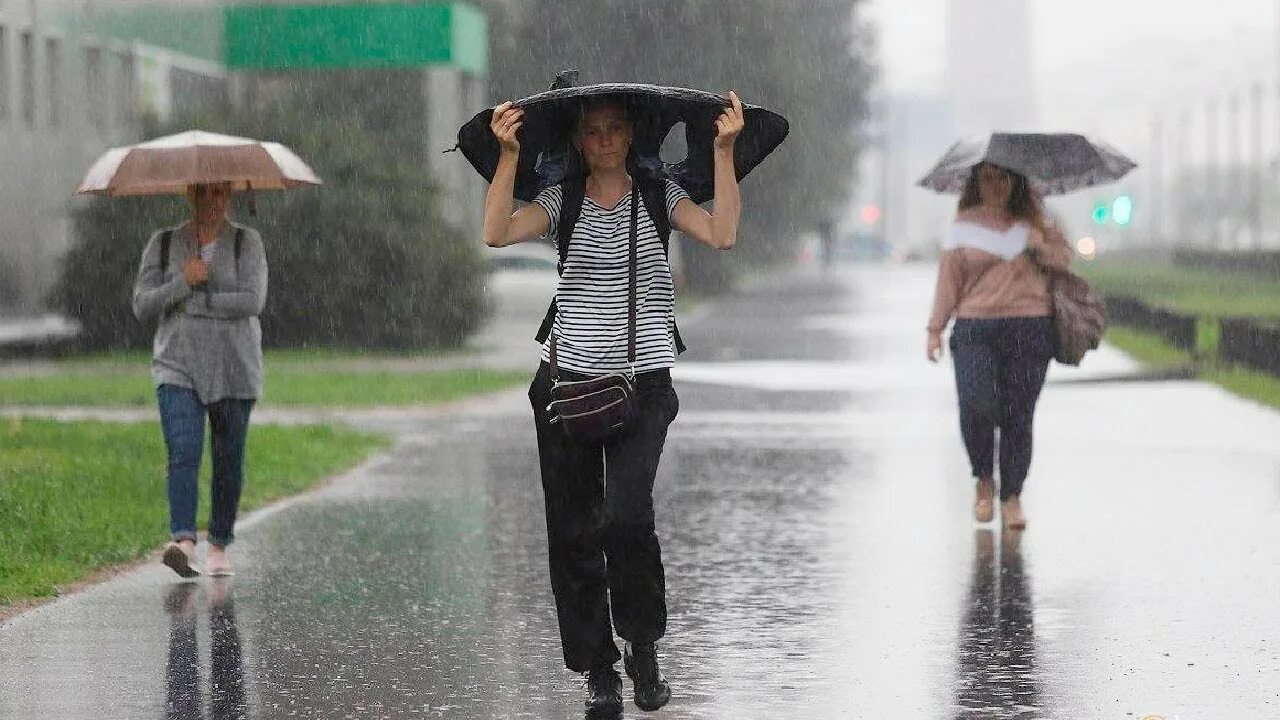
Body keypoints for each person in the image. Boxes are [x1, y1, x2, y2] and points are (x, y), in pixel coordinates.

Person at [482, 92, 745, 717]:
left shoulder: (659, 198)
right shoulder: (561, 200)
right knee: (572, 530)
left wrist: (725, 151)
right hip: (566, 383)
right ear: (578, 141)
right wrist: (508, 155)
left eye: (614, 130)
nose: (603, 140)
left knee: (626, 518)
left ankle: (643, 646)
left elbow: (723, 234)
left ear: (630, 136)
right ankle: (598, 671)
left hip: (642, 385)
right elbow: (495, 233)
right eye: (592, 131)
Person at [926, 162, 1072, 530]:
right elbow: (948, 280)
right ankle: (983, 479)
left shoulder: (1040, 222)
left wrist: (1040, 247)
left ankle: (1012, 497)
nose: (997, 186)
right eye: (988, 179)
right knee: (976, 407)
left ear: (1017, 182)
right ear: (976, 184)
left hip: (1030, 326)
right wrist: (935, 328)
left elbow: (1066, 262)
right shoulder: (961, 228)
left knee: (1018, 417)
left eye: (1004, 178)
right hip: (976, 328)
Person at [132, 182, 267, 578]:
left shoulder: (247, 242)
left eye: (221, 193)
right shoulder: (162, 244)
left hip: (234, 366)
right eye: (205, 192)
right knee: (183, 452)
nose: (213, 201)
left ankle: (219, 545)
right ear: (190, 194)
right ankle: (184, 543)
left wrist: (198, 302)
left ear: (230, 196)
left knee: (228, 461)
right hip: (177, 364)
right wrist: (182, 282)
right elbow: (142, 304)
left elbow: (252, 300)